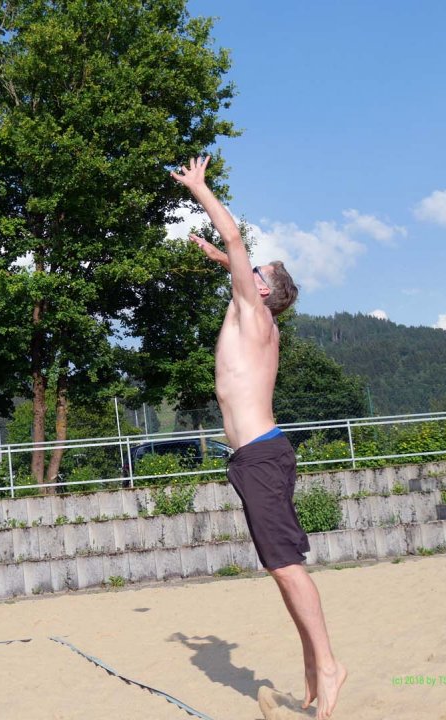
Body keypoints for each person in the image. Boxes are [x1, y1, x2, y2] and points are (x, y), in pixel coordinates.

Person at [171, 156, 346, 719]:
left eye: (256, 273)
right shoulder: (255, 313)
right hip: (257, 457)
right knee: (281, 568)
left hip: (262, 456)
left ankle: (329, 665)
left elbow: (235, 239)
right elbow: (237, 259)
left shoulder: (254, 313)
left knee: (287, 567)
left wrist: (201, 189)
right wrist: (224, 259)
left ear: (264, 290)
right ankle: (313, 667)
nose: (247, 274)